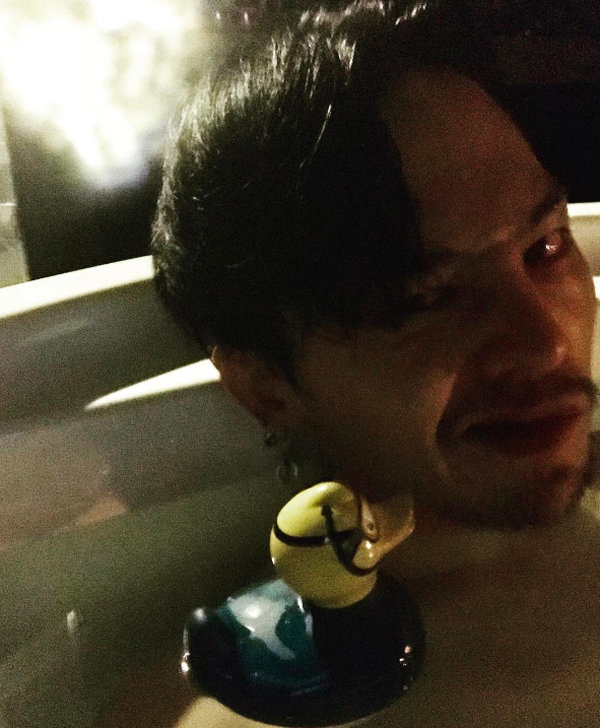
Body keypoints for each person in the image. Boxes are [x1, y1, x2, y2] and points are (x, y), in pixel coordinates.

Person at [151, 2, 600, 725]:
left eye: (544, 248)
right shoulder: (243, 702)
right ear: (266, 385)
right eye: (422, 297)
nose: (545, 341)